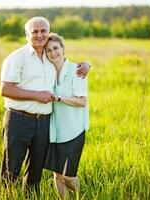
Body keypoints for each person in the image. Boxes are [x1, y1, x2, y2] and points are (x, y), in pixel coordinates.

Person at [0, 16, 89, 194]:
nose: (39, 35)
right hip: (19, 119)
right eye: (35, 31)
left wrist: (86, 65)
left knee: (35, 171)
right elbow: (6, 89)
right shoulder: (17, 58)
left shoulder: (49, 57)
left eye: (43, 31)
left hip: (44, 123)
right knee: (11, 169)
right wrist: (37, 96)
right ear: (27, 34)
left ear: (48, 33)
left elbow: (65, 62)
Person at [43, 33, 89, 199]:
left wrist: (59, 98)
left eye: (55, 48)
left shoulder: (76, 70)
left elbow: (82, 101)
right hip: (54, 130)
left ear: (63, 49)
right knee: (57, 174)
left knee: (68, 175)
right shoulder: (47, 71)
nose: (52, 53)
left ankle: (82, 196)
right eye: (48, 50)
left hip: (74, 130)